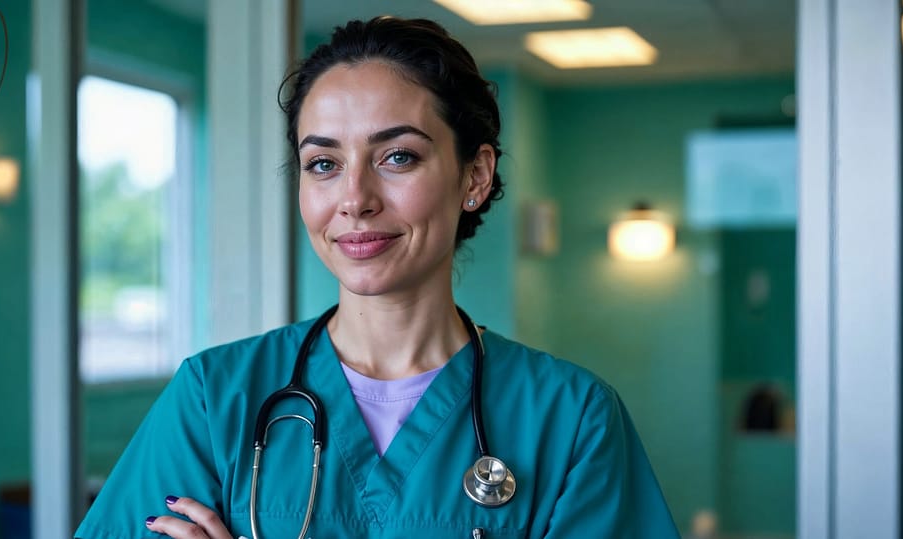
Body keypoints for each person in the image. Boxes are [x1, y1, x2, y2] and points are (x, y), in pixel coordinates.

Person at [75, 16, 680, 539]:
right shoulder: (215, 399)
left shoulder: (570, 418)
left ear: (475, 177)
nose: (354, 198)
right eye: (324, 164)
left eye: (398, 157)